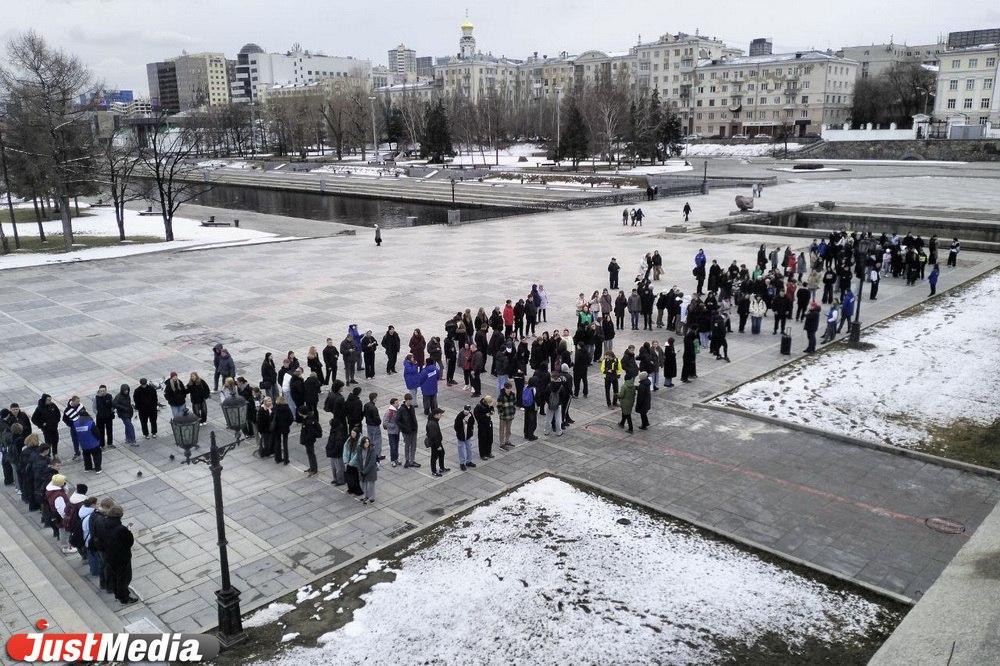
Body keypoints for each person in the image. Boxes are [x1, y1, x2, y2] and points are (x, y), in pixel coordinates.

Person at [103, 505, 138, 604]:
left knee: (114, 576)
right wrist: (129, 532)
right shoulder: (122, 529)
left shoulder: (104, 523)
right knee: (124, 578)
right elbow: (129, 543)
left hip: (109, 555)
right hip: (121, 558)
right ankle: (123, 598)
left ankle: (117, 593)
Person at [324, 380, 347, 484]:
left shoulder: (331, 395)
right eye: (342, 387)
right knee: (339, 462)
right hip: (340, 422)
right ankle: (341, 479)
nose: (343, 388)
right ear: (338, 387)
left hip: (336, 420)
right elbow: (344, 412)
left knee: (333, 463)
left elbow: (326, 408)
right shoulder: (340, 398)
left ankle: (335, 478)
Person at [74, 409, 102, 474]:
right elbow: (97, 433)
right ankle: (98, 469)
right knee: (96, 456)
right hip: (93, 443)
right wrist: (98, 439)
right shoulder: (90, 423)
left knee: (86, 456)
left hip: (83, 444)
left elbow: (75, 434)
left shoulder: (75, 424)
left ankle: (87, 468)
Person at [397, 393, 419, 468]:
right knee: (407, 445)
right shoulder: (401, 409)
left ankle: (412, 460)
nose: (410, 402)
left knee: (414, 445)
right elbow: (398, 421)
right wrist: (404, 428)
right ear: (406, 400)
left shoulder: (412, 407)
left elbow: (414, 417)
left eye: (411, 400)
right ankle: (407, 460)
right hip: (406, 431)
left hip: (413, 430)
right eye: (409, 400)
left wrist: (416, 427)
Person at [299, 407, 321, 475]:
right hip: (308, 440)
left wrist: (305, 439)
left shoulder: (309, 421)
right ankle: (312, 466)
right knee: (309, 453)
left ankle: (314, 468)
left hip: (309, 440)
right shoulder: (307, 419)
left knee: (311, 453)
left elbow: (310, 433)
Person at [426, 408, 448, 477]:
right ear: (436, 415)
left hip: (437, 442)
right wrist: (438, 446)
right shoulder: (432, 424)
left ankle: (442, 468)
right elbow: (433, 436)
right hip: (435, 443)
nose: (441, 415)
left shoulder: (434, 420)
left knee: (442, 453)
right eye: (440, 414)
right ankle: (434, 471)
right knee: (434, 457)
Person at [272, 395, 294, 464]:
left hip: (277, 428)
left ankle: (277, 458)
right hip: (285, 428)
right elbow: (291, 418)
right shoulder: (287, 408)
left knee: (277, 443)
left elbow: (272, 418)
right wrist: (288, 424)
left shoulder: (275, 408)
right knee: (285, 444)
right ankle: (286, 460)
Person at [454, 404, 476, 470]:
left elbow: (472, 422)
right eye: (466, 410)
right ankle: (462, 463)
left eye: (468, 411)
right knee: (461, 449)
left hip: (468, 435)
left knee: (469, 448)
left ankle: (468, 461)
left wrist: (469, 424)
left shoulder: (470, 415)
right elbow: (456, 427)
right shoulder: (459, 416)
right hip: (461, 435)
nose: (467, 412)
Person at [497, 382, 517, 451]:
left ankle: (507, 441)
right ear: (505, 388)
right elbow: (499, 406)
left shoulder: (513, 394)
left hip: (510, 415)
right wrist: (502, 413)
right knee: (502, 430)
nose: (509, 390)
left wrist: (513, 411)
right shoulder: (501, 396)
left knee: (508, 429)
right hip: (503, 416)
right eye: (507, 388)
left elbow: (514, 403)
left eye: (510, 388)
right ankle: (502, 444)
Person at [343, 430, 364, 496]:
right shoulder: (349, 440)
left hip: (354, 463)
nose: (352, 434)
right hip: (348, 462)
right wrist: (346, 461)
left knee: (355, 477)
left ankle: (357, 490)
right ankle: (351, 489)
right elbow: (345, 450)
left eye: (354, 433)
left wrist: (351, 462)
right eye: (351, 433)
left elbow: (358, 454)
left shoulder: (360, 441)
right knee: (349, 477)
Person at [363, 392, 383, 463]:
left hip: (369, 425)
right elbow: (376, 418)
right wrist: (379, 422)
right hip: (374, 426)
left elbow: (364, 414)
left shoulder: (366, 405)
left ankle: (370, 454)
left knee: (370, 439)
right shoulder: (374, 408)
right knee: (377, 441)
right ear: (374, 399)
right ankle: (377, 456)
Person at [359, 436, 378, 504]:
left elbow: (372, 462)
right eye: (365, 442)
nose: (367, 443)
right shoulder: (360, 449)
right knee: (364, 483)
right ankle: (366, 496)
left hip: (370, 470)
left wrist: (365, 471)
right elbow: (358, 458)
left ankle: (372, 498)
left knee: (370, 484)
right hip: (363, 469)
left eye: (368, 442)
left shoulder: (372, 450)